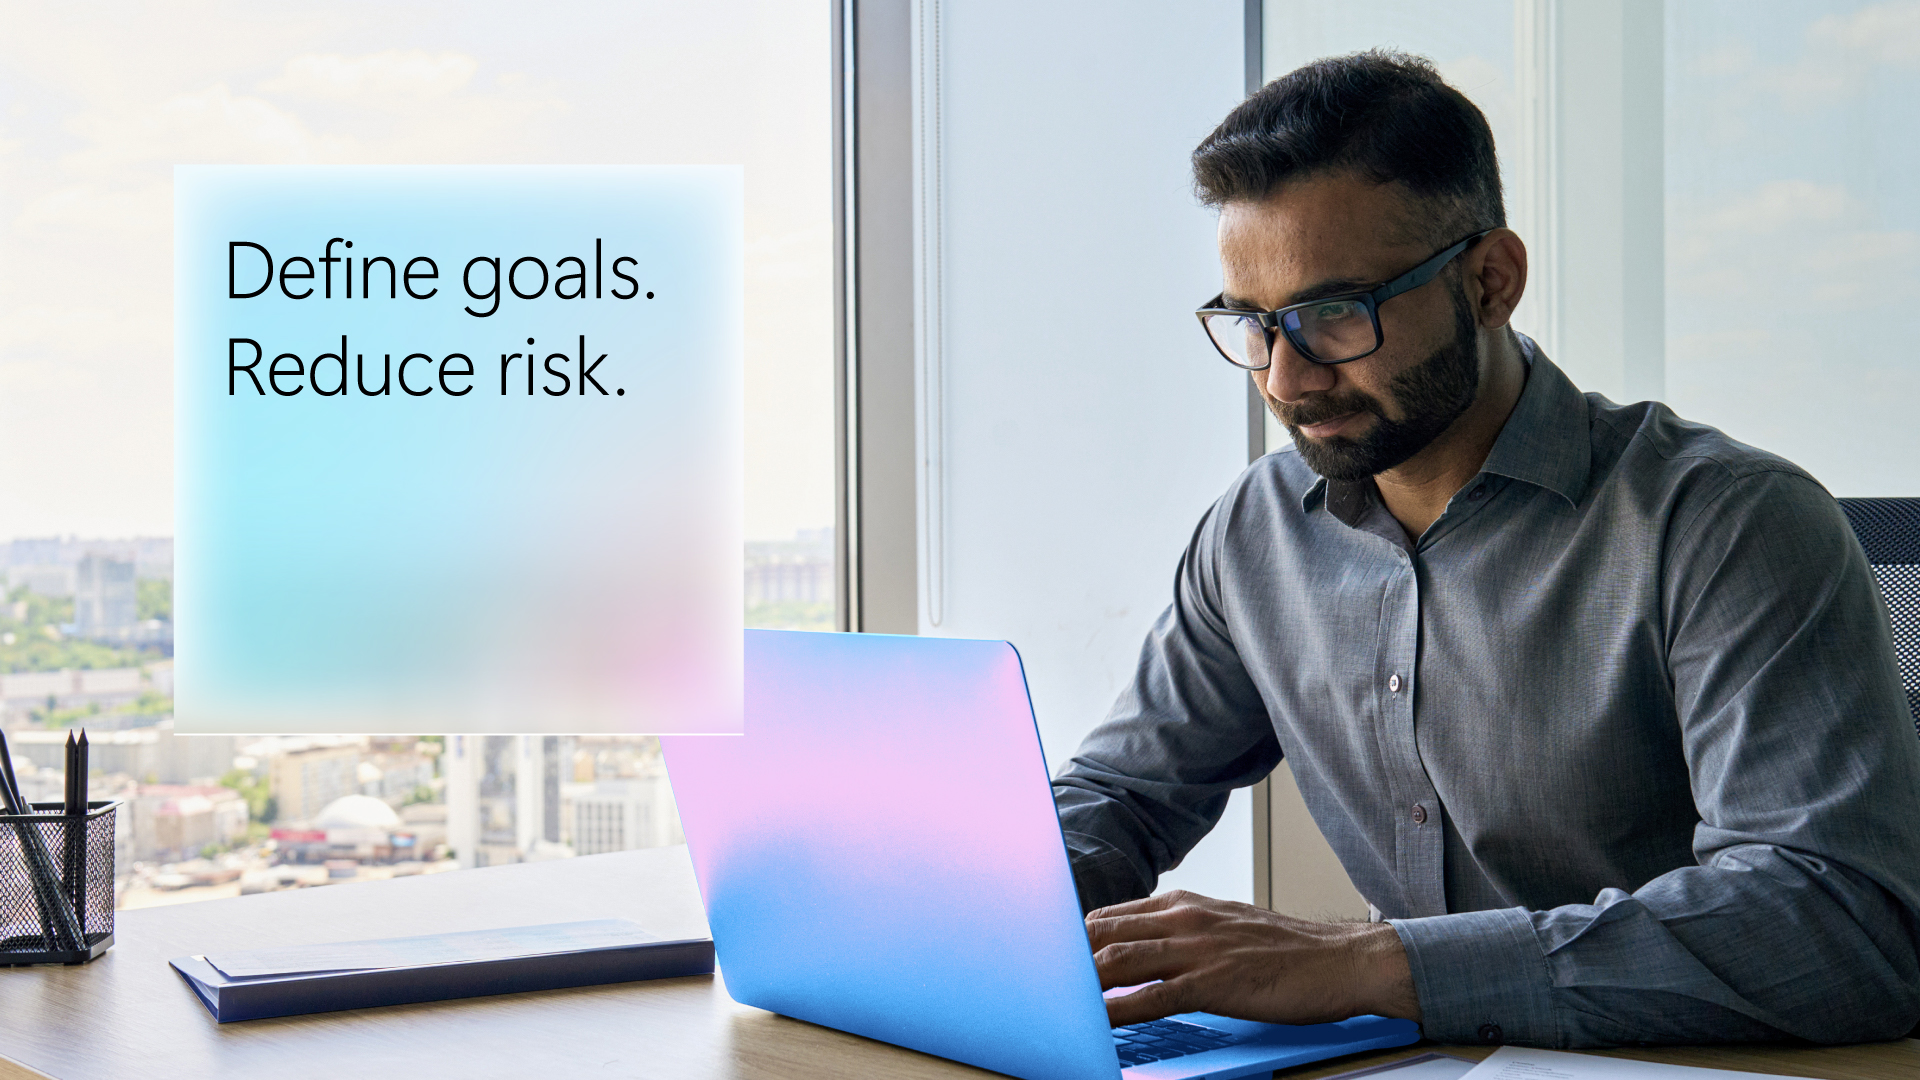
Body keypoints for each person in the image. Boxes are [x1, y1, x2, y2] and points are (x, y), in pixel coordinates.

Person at [1052, 49, 1920, 1049]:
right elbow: (1122, 795)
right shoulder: (1257, 535)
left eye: (1337, 314)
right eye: (1253, 323)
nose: (1287, 379)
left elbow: (1837, 927)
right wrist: (981, 904)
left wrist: (1368, 965)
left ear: (1490, 281)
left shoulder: (1727, 525)